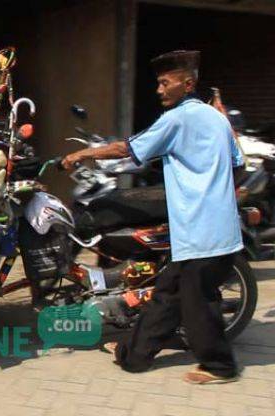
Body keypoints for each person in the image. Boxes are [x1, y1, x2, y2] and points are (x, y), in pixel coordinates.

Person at [61, 50, 244, 384]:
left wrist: (81, 154)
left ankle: (220, 367)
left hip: (201, 231)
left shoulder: (178, 118)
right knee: (167, 295)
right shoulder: (217, 118)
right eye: (158, 84)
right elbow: (237, 164)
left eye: (165, 83)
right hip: (213, 229)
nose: (159, 90)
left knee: (197, 305)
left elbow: (126, 150)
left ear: (187, 83)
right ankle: (134, 356)